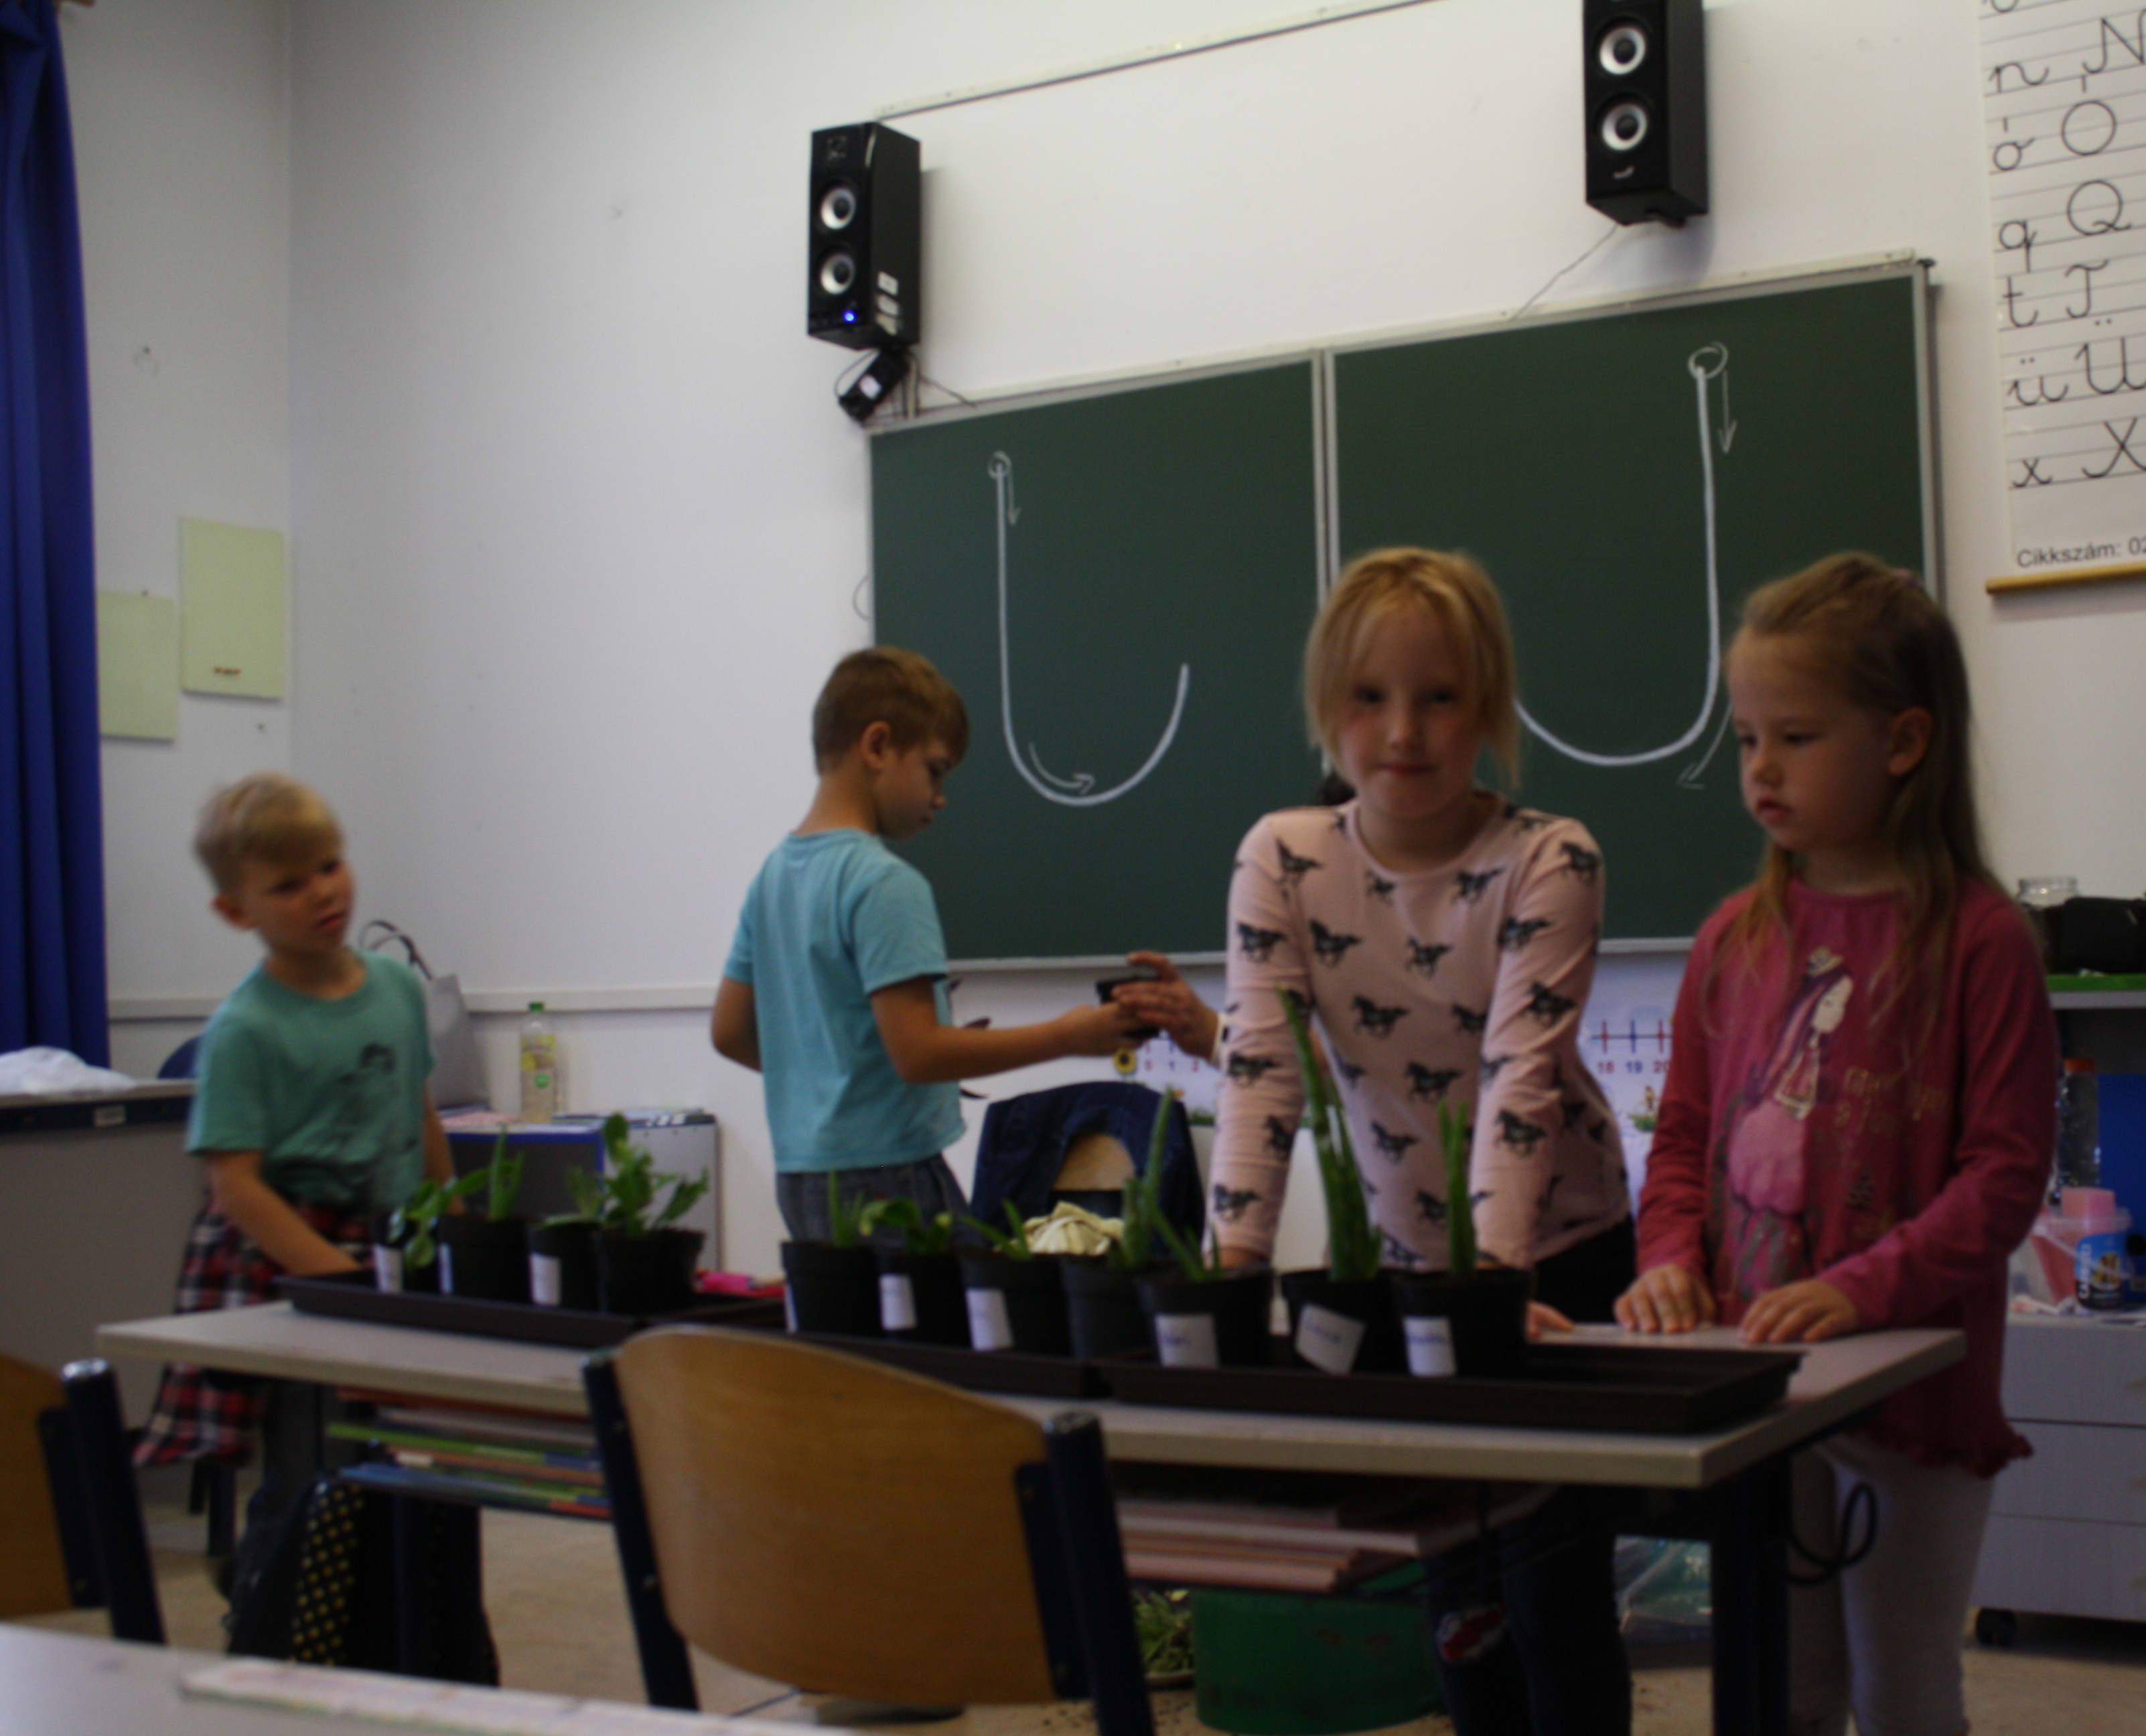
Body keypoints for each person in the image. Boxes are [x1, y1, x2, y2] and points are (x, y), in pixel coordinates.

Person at [1616, 553, 2056, 1736]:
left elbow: (2003, 1178)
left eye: (1796, 737)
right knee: (1780, 1686)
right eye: (1747, 738)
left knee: (1901, 1691)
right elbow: (1682, 1139)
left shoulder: (1982, 941)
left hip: (1909, 1393)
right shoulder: (1733, 936)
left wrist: (1858, 1291)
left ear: (1903, 741)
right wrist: (1668, 1258)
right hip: (1759, 1385)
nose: (1759, 768)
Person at [1206, 547, 1634, 1736]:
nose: (1403, 731)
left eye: (1439, 696)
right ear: (1324, 705)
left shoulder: (1549, 856)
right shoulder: (1283, 857)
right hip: (1408, 1270)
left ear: (1486, 705)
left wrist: (1494, 1284)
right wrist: (1228, 1285)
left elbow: (1520, 1077)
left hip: (1556, 1255)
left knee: (1552, 1590)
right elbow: (1262, 1072)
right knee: (1457, 1595)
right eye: (1369, 696)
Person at [135, 774, 455, 1607]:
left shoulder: (396, 989)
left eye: (329, 866)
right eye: (287, 884)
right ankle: (266, 1602)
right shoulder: (245, 1028)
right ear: (235, 911)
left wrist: (452, 1215)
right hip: (293, 1259)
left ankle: (357, 1612)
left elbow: (418, 1109)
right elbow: (237, 1186)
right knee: (316, 1459)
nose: (321, 892)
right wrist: (333, 1281)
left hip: (388, 1243)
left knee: (383, 1448)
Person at [711, 646, 1144, 1240]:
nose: (940, 797)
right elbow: (918, 1054)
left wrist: (832, 1079)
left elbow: (729, 1032)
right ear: (877, 746)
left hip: (802, 1176)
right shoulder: (884, 882)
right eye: (935, 771)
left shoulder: (772, 878)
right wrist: (1069, 1036)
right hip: (888, 1177)